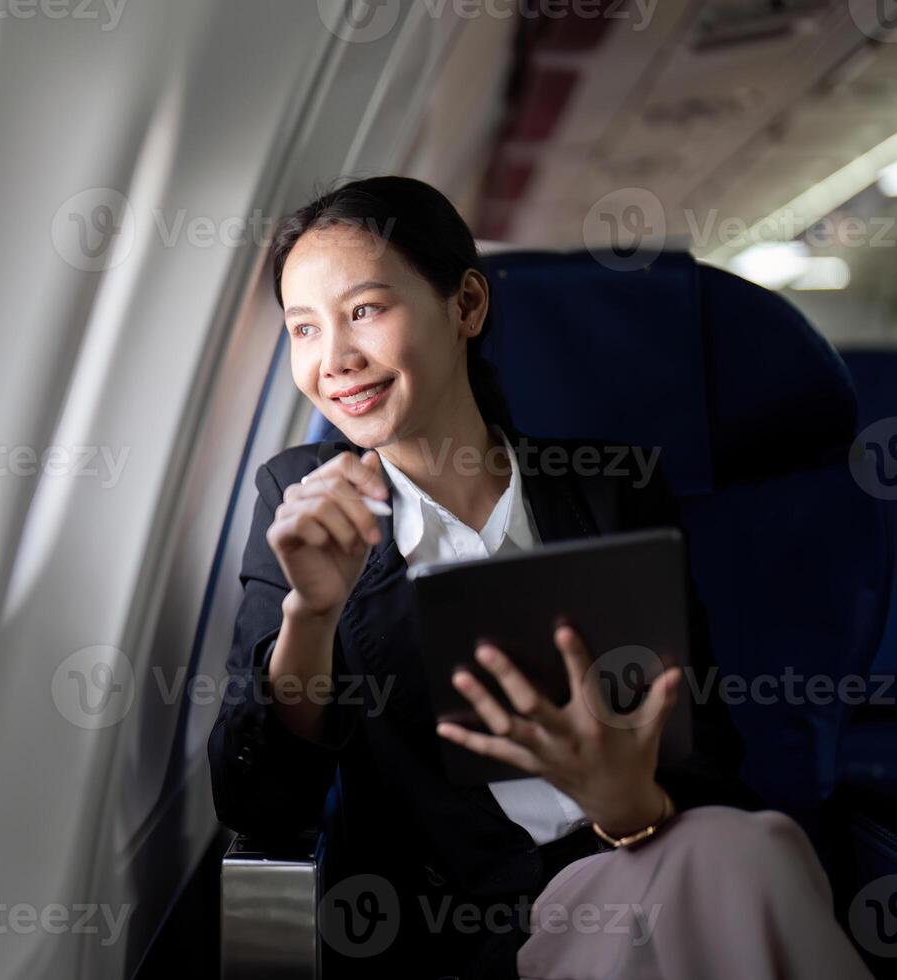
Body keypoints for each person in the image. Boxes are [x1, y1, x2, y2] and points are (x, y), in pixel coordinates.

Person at [207, 175, 875, 978]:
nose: (335, 361)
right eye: (303, 329)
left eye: (364, 311)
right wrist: (310, 615)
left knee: (745, 846)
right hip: (469, 931)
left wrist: (629, 806)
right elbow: (261, 805)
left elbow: (706, 758)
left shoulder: (610, 487)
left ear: (466, 308)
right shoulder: (302, 495)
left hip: (653, 860)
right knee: (755, 855)